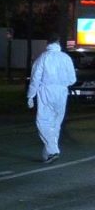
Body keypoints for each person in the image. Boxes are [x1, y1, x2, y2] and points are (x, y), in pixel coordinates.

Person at [27, 33, 76, 164]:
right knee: (55, 123)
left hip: (46, 91)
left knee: (42, 122)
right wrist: (62, 83)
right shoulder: (66, 58)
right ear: (58, 44)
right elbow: (72, 79)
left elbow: (35, 79)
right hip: (62, 92)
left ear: (48, 44)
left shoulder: (43, 58)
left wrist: (30, 96)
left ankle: (53, 150)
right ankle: (49, 153)